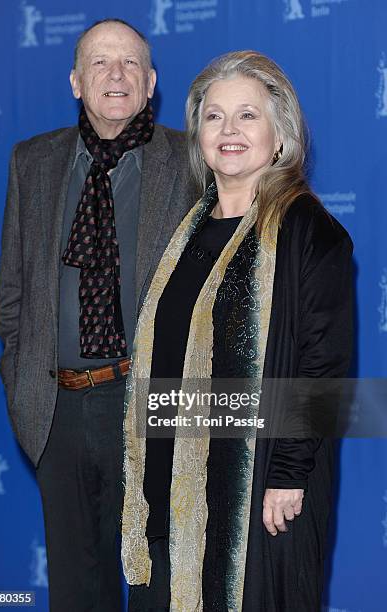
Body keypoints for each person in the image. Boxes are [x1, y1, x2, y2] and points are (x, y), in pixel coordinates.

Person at [122, 50, 353, 611]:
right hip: (169, 493)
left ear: (280, 132)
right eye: (213, 116)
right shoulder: (188, 229)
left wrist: (288, 475)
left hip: (260, 496)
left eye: (247, 115)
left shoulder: (308, 231)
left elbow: (323, 369)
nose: (228, 130)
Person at [0, 18, 197, 612]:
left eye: (131, 62)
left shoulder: (191, 162)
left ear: (151, 81)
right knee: (78, 591)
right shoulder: (31, 161)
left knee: (159, 583)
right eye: (100, 62)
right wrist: (21, 379)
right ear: (76, 82)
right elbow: (13, 293)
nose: (116, 74)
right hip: (58, 408)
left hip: (155, 407)